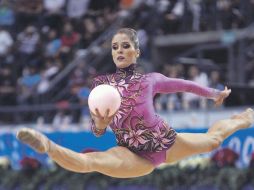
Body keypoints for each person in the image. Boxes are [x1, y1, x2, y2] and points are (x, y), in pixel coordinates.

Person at [17, 28, 254, 178]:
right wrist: (99, 124)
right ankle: (47, 146)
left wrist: (214, 93)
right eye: (114, 47)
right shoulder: (101, 85)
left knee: (212, 141)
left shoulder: (150, 80)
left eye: (125, 46)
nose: (119, 50)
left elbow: (184, 85)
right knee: (91, 162)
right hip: (131, 153)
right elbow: (97, 131)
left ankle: (241, 120)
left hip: (166, 142)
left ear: (137, 52)